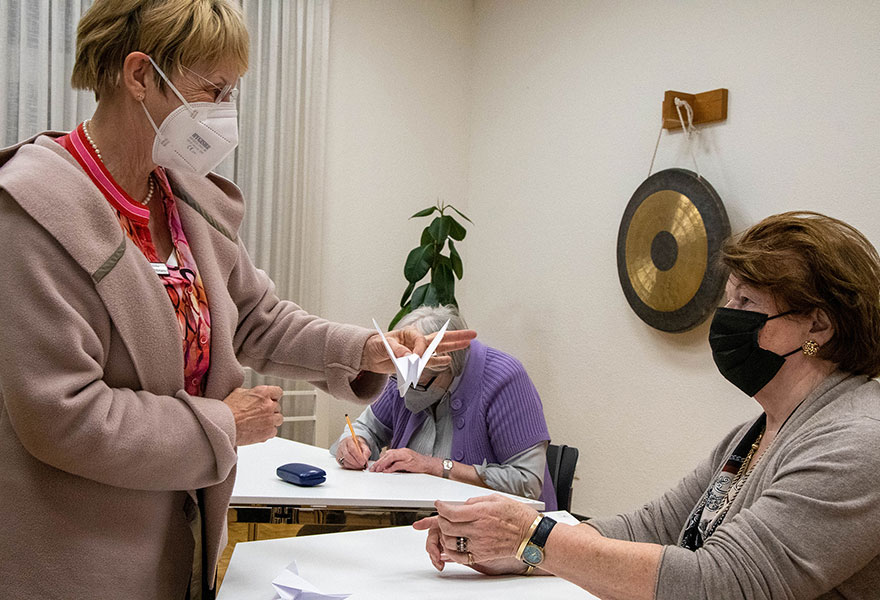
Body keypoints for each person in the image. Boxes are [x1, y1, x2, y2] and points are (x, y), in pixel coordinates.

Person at [0, 2, 474, 599]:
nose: (225, 112)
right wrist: (225, 423)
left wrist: (368, 349)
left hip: (178, 547)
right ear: (140, 76)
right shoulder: (35, 211)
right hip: (74, 558)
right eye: (213, 89)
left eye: (232, 92)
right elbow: (63, 416)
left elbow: (257, 318)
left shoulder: (183, 201)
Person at [415, 211, 880, 599]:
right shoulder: (759, 432)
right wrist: (519, 554)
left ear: (817, 326)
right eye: (728, 298)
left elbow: (725, 582)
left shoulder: (858, 443)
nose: (726, 316)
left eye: (746, 300)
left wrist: (531, 538)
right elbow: (650, 527)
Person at [331, 305, 557, 510]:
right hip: (413, 522)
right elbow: (366, 428)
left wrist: (435, 466)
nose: (405, 392)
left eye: (419, 384)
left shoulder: (503, 379)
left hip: (497, 536)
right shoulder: (405, 373)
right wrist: (353, 444)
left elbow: (526, 483)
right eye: (397, 378)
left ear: (449, 366)